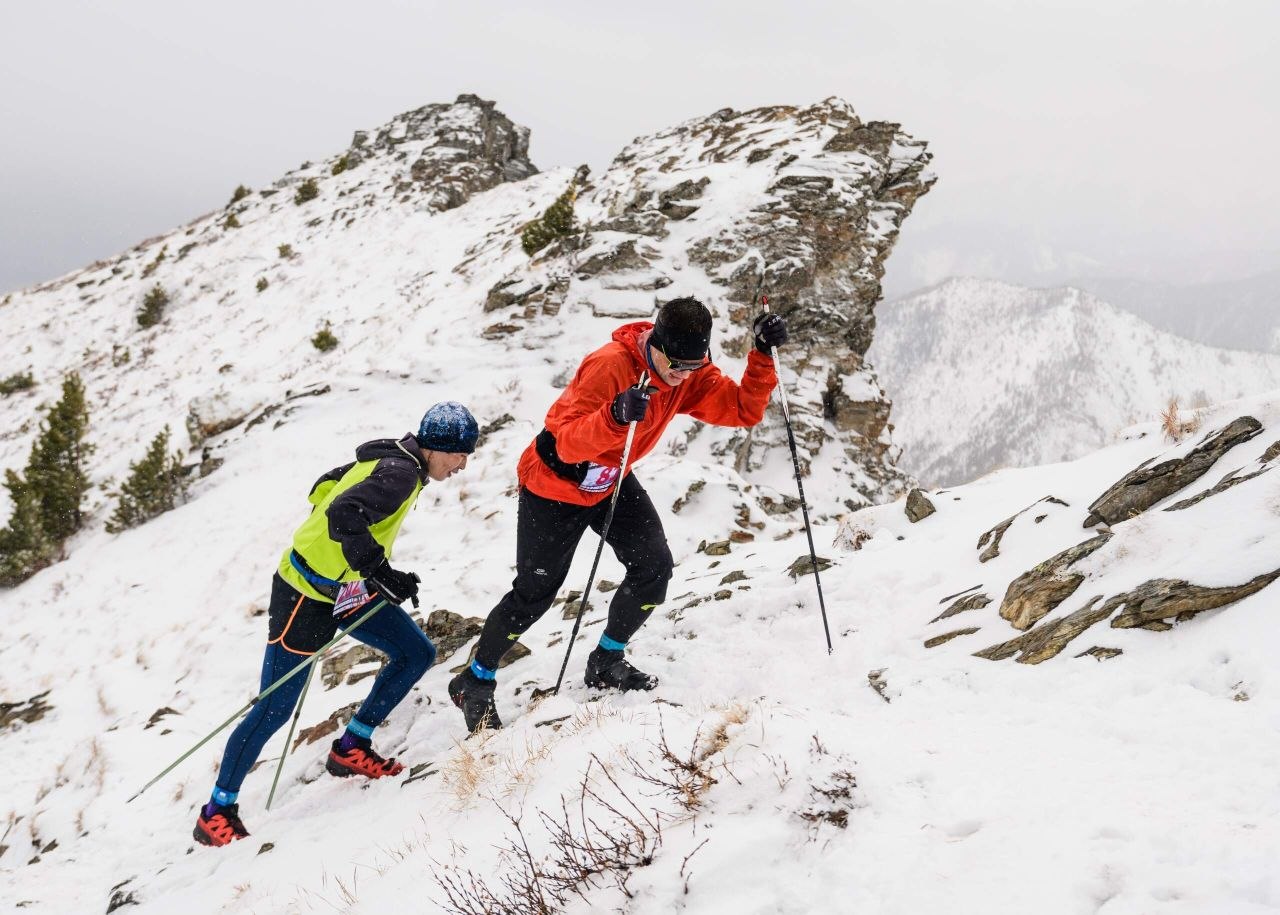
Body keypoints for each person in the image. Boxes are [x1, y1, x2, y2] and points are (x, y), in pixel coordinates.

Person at [448, 296, 786, 731]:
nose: (682, 376)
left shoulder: (689, 373)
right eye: (676, 366)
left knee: (654, 568)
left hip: (610, 478)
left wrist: (760, 357)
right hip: (554, 483)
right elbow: (566, 440)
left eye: (691, 367)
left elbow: (743, 409)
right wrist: (613, 414)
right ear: (656, 346)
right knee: (535, 594)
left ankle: (607, 660)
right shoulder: (610, 366)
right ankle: (474, 682)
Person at [193, 402, 479, 847]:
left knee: (415, 652)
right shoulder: (401, 473)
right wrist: (378, 569)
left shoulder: (393, 459)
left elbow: (325, 486)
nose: (463, 465)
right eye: (461, 455)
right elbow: (341, 512)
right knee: (275, 707)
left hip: (345, 590)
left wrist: (361, 570)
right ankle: (216, 812)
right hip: (304, 595)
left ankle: (351, 748)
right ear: (439, 448)